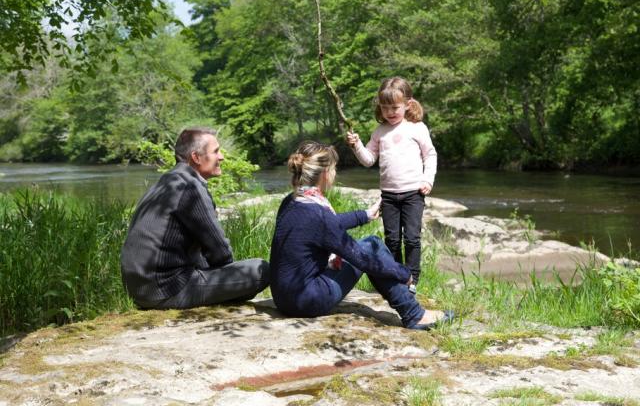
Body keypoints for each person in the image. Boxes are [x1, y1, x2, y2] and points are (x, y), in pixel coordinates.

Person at [270, 141, 451, 330]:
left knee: (370, 245)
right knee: (372, 246)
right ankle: (414, 314)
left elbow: (322, 227)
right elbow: (362, 259)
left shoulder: (292, 201)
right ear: (325, 173)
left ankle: (411, 309)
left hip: (283, 299)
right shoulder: (319, 215)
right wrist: (404, 273)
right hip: (307, 301)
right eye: (334, 169)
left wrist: (364, 215)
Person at [121, 127, 270, 309]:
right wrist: (228, 277)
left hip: (140, 290)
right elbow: (220, 252)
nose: (222, 157)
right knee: (261, 269)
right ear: (196, 157)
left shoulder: (167, 181)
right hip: (167, 290)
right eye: (215, 151)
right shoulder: (190, 188)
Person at [346, 77, 437, 294]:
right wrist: (356, 145)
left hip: (413, 192)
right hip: (388, 196)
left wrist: (427, 180)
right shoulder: (379, 132)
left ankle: (412, 279)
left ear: (408, 104)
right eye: (385, 108)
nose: (390, 112)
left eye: (395, 107)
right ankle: (396, 276)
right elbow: (368, 160)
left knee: (412, 238)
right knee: (392, 240)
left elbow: (430, 155)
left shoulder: (417, 128)